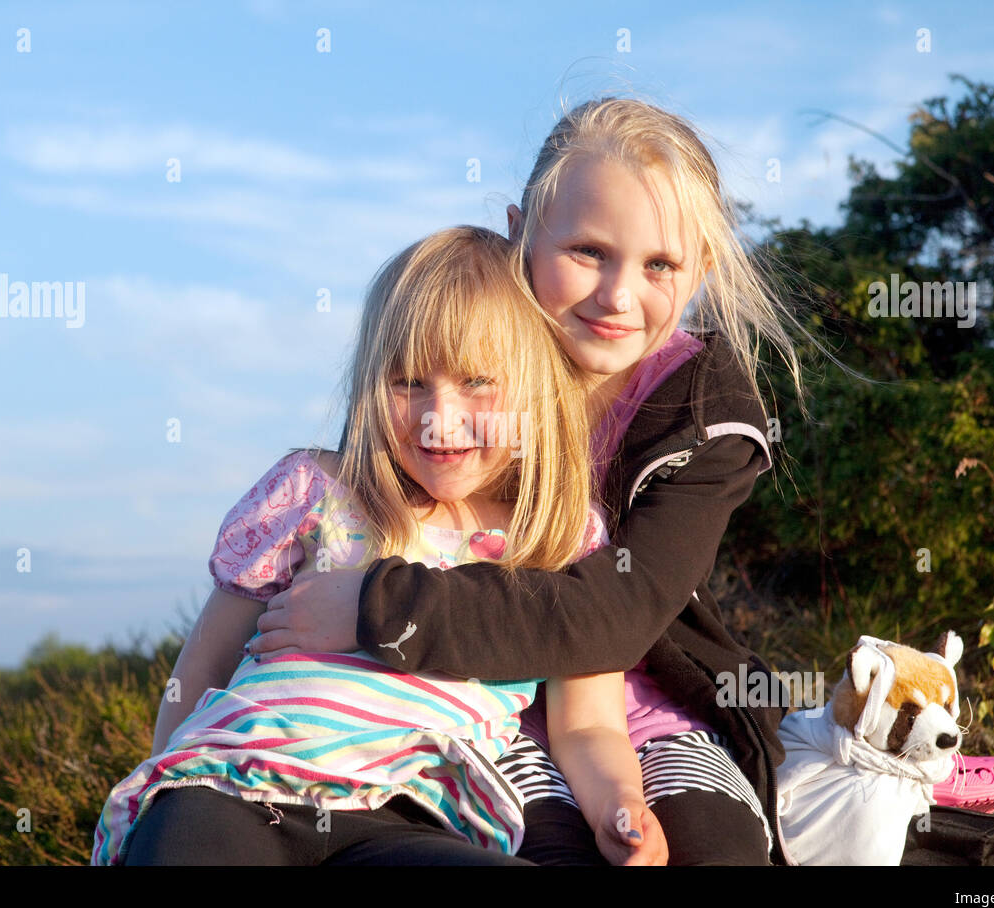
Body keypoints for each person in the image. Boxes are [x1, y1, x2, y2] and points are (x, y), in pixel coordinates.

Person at [249, 97, 822, 865]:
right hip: (479, 698)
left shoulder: (705, 414)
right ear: (521, 233)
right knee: (547, 847)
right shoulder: (457, 362)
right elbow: (368, 503)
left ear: (699, 275)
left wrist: (374, 606)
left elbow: (615, 616)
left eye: (659, 265)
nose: (618, 296)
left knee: (716, 848)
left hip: (645, 708)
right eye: (588, 251)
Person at [91, 225, 666, 866]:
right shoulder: (317, 488)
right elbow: (202, 667)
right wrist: (163, 782)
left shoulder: (557, 538)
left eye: (478, 381)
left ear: (537, 387)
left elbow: (587, 725)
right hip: (230, 787)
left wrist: (620, 803)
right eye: (408, 382)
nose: (438, 418)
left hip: (413, 817)